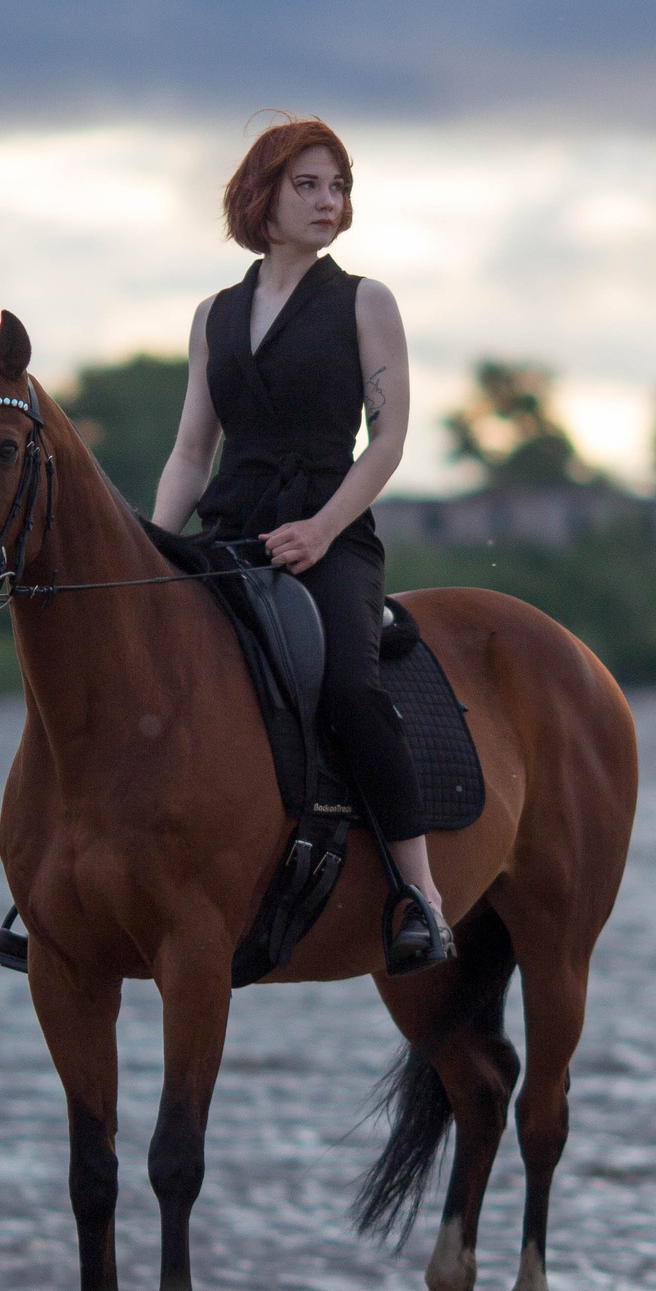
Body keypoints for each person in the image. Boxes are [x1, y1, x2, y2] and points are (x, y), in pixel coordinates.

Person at [151, 117, 453, 973]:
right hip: (230, 534)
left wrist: (322, 529)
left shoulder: (366, 302)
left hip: (330, 537)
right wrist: (151, 548)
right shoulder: (213, 315)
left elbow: (388, 442)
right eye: (309, 186)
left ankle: (419, 896)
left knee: (351, 689)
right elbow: (188, 452)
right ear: (262, 197)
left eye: (338, 187)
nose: (330, 202)